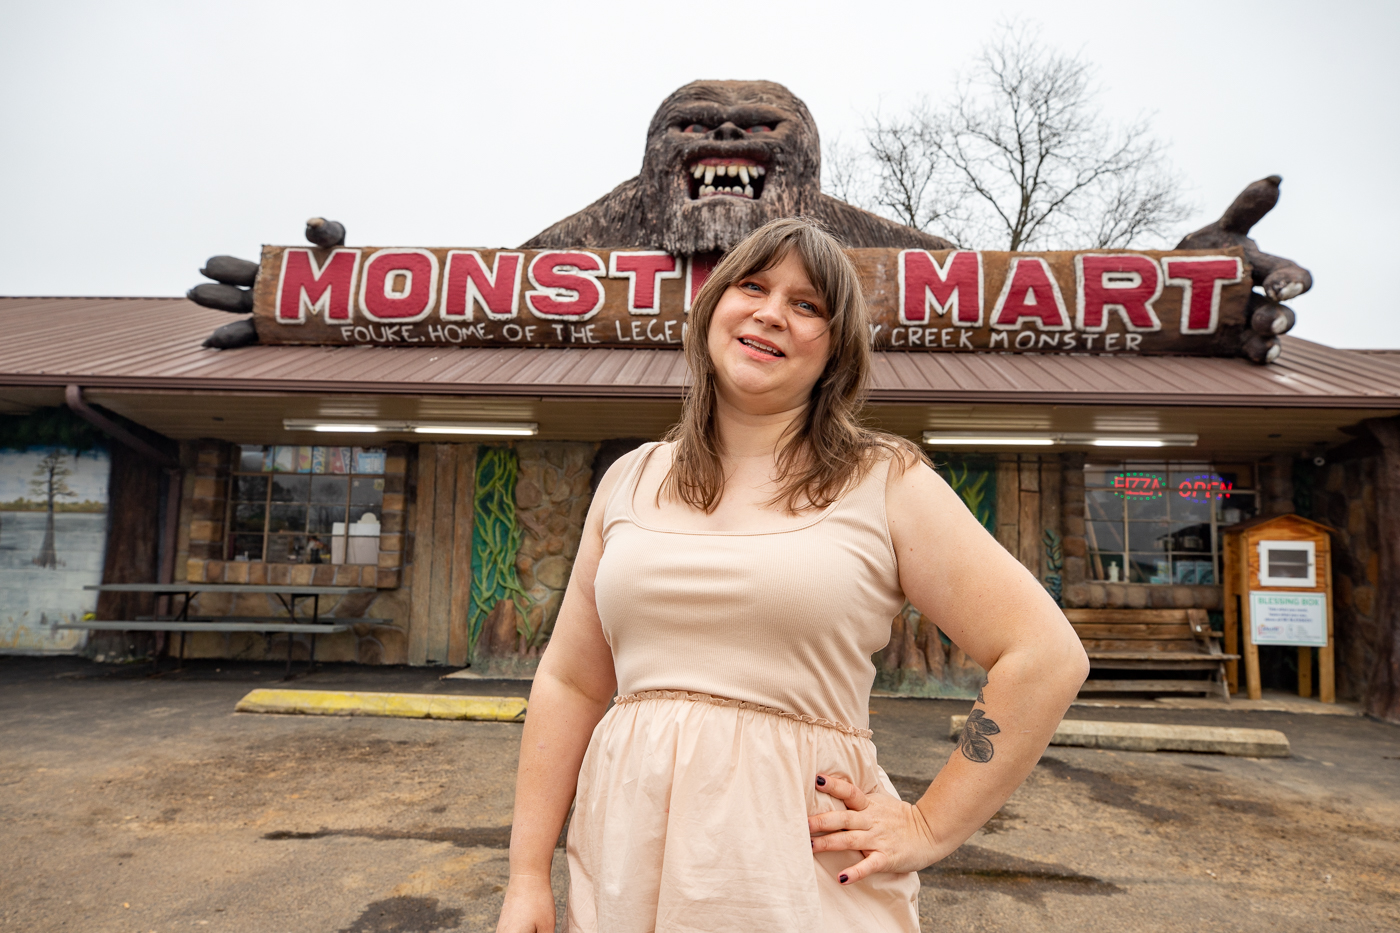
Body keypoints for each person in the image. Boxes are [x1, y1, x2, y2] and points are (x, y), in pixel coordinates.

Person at [496, 217, 1089, 932]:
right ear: (713, 308)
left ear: (834, 351)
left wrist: (930, 824)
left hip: (795, 873)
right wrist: (527, 874)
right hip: (627, 857)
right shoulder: (629, 479)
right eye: (752, 286)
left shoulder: (885, 479)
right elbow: (572, 680)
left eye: (807, 305)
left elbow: (1045, 655)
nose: (772, 312)